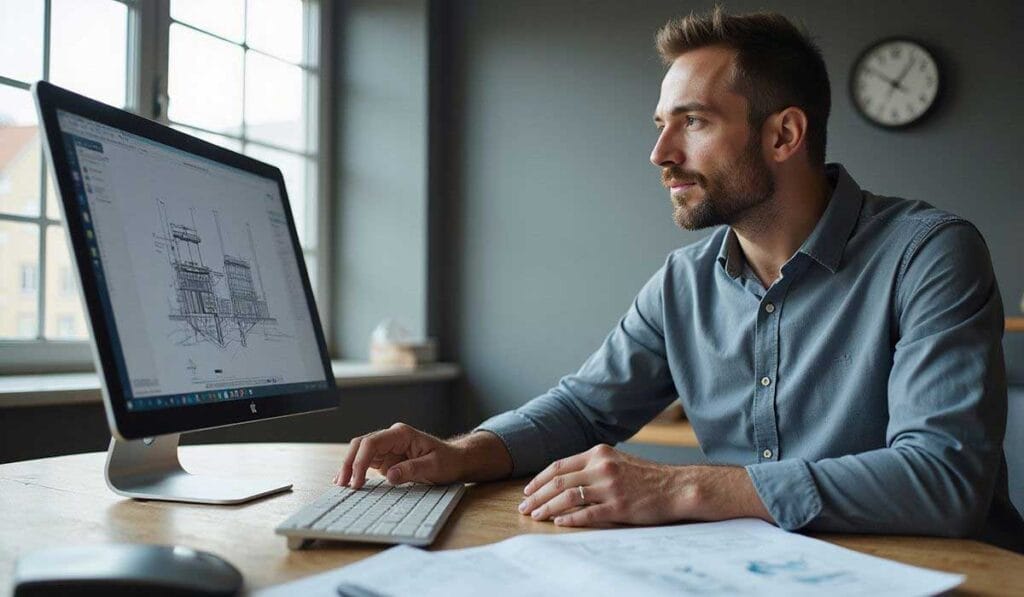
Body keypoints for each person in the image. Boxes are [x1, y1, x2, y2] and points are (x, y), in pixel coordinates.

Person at [335, 7, 1024, 551]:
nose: (661, 153)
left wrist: (685, 488)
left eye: (692, 122)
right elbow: (582, 409)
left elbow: (944, 478)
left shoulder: (930, 253)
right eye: (663, 125)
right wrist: (459, 452)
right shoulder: (682, 282)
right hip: (770, 572)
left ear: (783, 135)